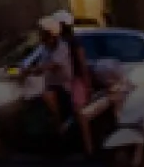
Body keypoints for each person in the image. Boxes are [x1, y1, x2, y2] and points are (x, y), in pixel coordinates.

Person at [21, 15, 74, 137]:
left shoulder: (62, 47)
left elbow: (52, 65)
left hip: (64, 87)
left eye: (42, 32)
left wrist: (34, 69)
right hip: (50, 84)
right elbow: (33, 63)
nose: (40, 35)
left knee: (47, 95)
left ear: (50, 34)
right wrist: (20, 70)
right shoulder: (44, 48)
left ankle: (58, 124)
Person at [54, 10, 94, 156]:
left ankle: (89, 148)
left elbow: (82, 63)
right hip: (65, 81)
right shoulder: (58, 42)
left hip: (75, 81)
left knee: (80, 113)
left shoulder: (72, 42)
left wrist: (87, 83)